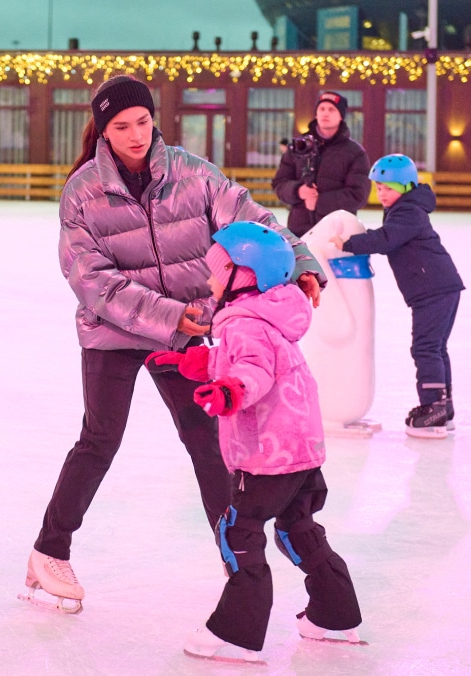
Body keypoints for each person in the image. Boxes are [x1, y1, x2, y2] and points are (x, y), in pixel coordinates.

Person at [23, 74, 327, 613]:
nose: (136, 134)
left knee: (207, 441)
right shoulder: (83, 192)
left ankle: (236, 555)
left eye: (143, 121)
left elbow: (253, 220)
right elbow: (89, 278)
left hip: (186, 328)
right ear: (103, 131)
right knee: (100, 439)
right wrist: (168, 315)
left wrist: (300, 262)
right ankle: (50, 551)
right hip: (115, 332)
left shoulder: (192, 173)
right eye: (122, 126)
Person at [145, 223, 362, 663]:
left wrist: (229, 391)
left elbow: (253, 371)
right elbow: (250, 359)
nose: (209, 280)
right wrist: (193, 363)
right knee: (297, 528)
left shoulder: (244, 323)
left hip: (268, 453)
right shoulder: (269, 314)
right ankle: (335, 617)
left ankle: (237, 634)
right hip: (301, 450)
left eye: (216, 272)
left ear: (242, 276)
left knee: (238, 533)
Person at [331, 154, 464, 439]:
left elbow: (385, 239)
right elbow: (388, 235)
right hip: (438, 288)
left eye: (388, 188)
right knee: (435, 348)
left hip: (433, 290)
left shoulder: (409, 212)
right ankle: (443, 407)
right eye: (379, 187)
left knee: (426, 348)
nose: (381, 193)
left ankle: (434, 409)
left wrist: (349, 243)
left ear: (405, 186)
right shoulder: (405, 209)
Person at [272, 91, 371, 237]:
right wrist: (298, 191)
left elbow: (359, 195)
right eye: (322, 109)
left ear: (341, 116)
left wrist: (320, 202)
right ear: (316, 113)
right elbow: (279, 184)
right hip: (299, 231)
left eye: (331, 109)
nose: (325, 113)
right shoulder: (298, 146)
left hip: (337, 234)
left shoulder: (355, 153)